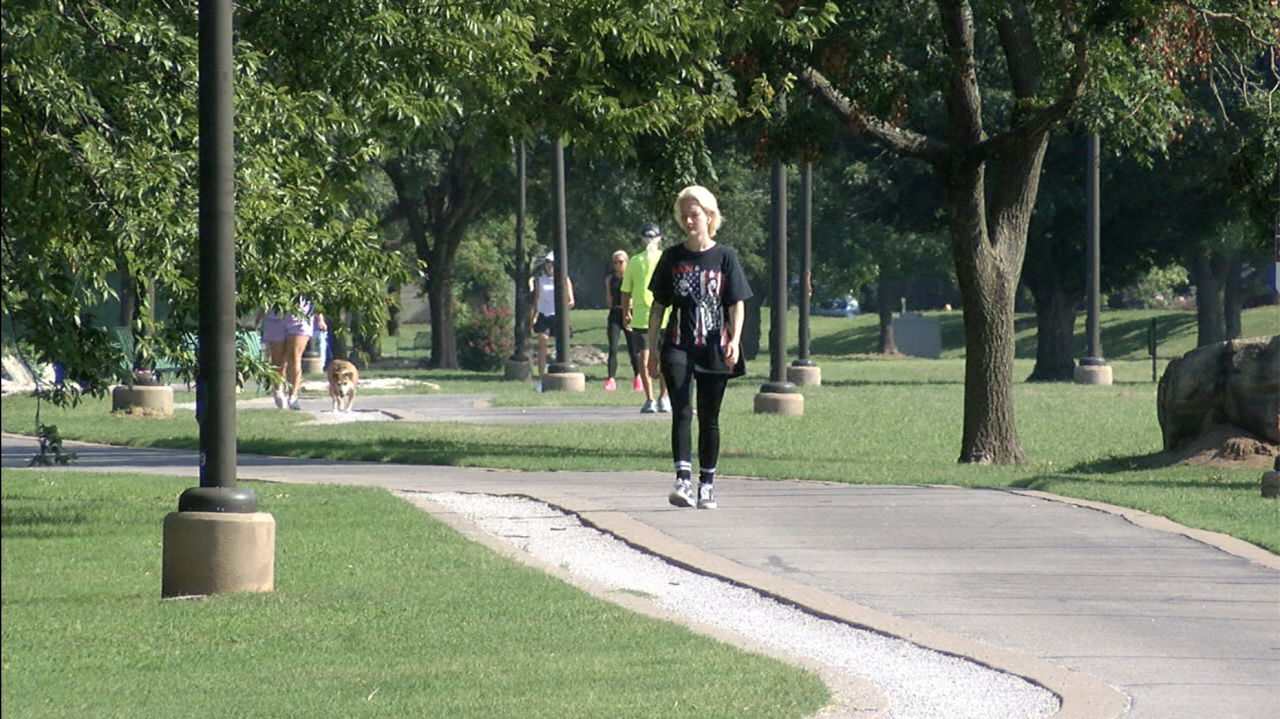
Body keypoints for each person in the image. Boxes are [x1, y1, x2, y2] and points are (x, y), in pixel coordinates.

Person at [647, 186, 751, 510]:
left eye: (695, 214)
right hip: (678, 344)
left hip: (715, 346)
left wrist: (734, 340)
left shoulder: (725, 257)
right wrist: (652, 349)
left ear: (709, 216)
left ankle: (706, 484)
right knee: (681, 411)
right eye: (685, 215)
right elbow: (657, 307)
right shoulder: (672, 257)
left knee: (710, 416)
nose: (690, 221)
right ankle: (682, 480)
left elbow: (736, 303)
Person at [621, 223, 671, 413]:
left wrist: (626, 312)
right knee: (658, 356)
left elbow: (625, 291)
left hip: (648, 315)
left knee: (647, 356)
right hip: (659, 315)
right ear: (659, 239)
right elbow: (626, 291)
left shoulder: (636, 261)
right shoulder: (663, 259)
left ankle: (654, 397)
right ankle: (659, 397)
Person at [262, 299, 326, 410]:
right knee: (277, 360)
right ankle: (278, 391)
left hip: (301, 315)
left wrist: (319, 318)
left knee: (295, 357)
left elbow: (314, 292)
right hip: (275, 315)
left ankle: (293, 396)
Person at [530, 251, 574, 392]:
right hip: (544, 315)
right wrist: (533, 317)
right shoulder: (540, 280)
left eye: (553, 263)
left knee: (562, 345)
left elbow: (571, 300)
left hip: (558, 316)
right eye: (548, 263)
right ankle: (542, 378)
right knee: (542, 341)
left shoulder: (564, 279)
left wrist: (565, 307)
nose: (550, 266)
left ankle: (561, 375)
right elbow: (536, 300)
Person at [603, 250, 641, 392]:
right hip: (615, 313)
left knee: (633, 349)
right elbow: (609, 298)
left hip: (629, 313)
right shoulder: (610, 279)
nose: (618, 265)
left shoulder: (631, 277)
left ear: (627, 262)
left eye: (621, 262)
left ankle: (638, 377)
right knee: (613, 348)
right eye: (615, 262)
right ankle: (611, 378)